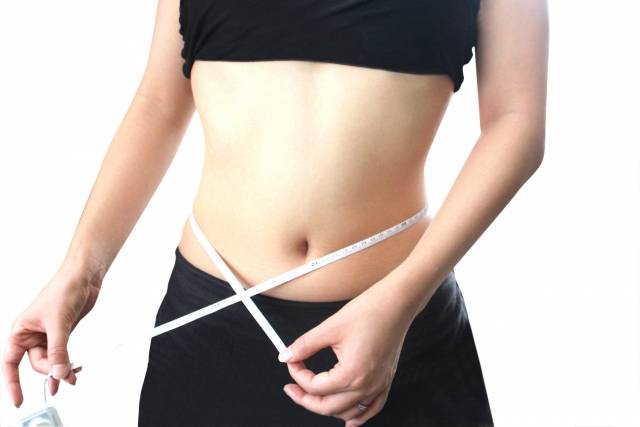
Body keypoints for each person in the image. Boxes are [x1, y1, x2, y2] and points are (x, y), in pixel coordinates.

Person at [2, 0, 548, 425]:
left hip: (401, 328)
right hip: (211, 330)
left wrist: (400, 302)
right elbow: (159, 103)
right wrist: (81, 271)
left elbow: (516, 121)